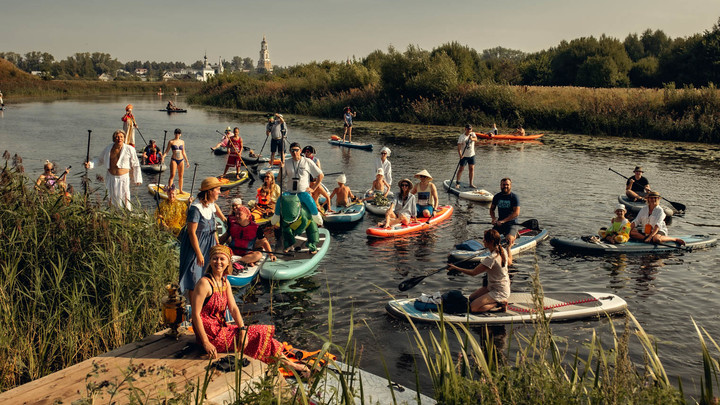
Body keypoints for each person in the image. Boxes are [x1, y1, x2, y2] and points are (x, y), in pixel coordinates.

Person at [190, 245, 309, 378]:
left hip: (221, 328)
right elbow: (195, 314)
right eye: (215, 259)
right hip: (211, 335)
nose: (218, 262)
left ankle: (289, 365)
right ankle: (292, 366)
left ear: (228, 262)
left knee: (258, 337)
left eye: (222, 259)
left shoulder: (225, 282)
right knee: (259, 332)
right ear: (210, 261)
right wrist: (206, 343)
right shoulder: (204, 283)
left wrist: (242, 329)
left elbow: (234, 308)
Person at [179, 177, 224, 296]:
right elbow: (191, 232)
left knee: (207, 276)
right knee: (194, 277)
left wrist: (217, 243)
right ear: (210, 191)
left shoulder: (210, 205)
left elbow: (213, 227)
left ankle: (204, 304)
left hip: (209, 245)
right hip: (196, 246)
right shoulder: (196, 208)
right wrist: (198, 254)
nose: (220, 192)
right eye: (218, 189)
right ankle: (195, 310)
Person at [447, 229, 511, 313]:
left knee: (473, 308)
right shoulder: (503, 250)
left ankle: (499, 304)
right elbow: (510, 262)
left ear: (491, 241)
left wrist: (455, 268)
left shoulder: (491, 259)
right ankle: (497, 301)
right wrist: (509, 248)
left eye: (484, 239)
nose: (483, 241)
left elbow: (473, 273)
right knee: (471, 298)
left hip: (499, 291)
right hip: (492, 287)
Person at [85, 130, 142, 210]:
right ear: (114, 138)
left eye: (121, 137)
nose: (119, 139)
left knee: (125, 198)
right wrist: (90, 164)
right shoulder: (108, 148)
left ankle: (127, 214)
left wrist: (137, 179)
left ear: (124, 138)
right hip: (111, 177)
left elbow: (135, 164)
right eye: (117, 137)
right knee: (111, 197)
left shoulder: (129, 149)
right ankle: (112, 214)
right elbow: (100, 160)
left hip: (123, 178)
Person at [273, 142, 324, 225]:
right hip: (290, 193)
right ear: (290, 151)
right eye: (292, 150)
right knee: (280, 198)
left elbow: (321, 175)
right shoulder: (287, 162)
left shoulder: (307, 161)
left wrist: (313, 188)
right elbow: (279, 179)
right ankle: (276, 215)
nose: (294, 152)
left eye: (296, 150)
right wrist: (281, 169)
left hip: (303, 192)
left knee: (309, 200)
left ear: (300, 150)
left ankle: (316, 216)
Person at [220, 199, 276, 265]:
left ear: (247, 216)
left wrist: (271, 255)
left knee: (258, 255)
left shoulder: (256, 228)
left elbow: (264, 242)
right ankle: (244, 261)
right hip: (233, 252)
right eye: (236, 214)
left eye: (239, 214)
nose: (236, 216)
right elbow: (225, 237)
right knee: (221, 251)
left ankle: (238, 261)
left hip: (247, 253)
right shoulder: (232, 225)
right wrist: (217, 246)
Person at [489, 178, 520, 261]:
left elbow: (516, 213)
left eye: (507, 185)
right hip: (499, 223)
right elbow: (492, 209)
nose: (505, 186)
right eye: (503, 185)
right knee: (490, 238)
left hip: (512, 224)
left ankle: (514, 235)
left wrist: (503, 221)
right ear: (500, 186)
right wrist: (493, 219)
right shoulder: (497, 196)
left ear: (510, 186)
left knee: (508, 241)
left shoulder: (514, 197)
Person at [162, 128, 190, 194]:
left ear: (180, 134)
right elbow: (167, 151)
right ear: (174, 134)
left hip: (181, 160)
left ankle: (180, 190)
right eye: (176, 133)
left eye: (178, 133)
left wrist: (187, 161)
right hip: (174, 160)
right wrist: (163, 156)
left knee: (181, 176)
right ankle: (169, 189)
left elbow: (184, 152)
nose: (177, 135)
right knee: (172, 175)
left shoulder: (182, 142)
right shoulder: (171, 142)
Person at [303, 145, 330, 211]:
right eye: (305, 152)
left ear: (311, 153)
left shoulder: (316, 160)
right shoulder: (303, 160)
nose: (306, 153)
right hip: (307, 180)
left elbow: (319, 172)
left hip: (313, 179)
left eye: (308, 152)